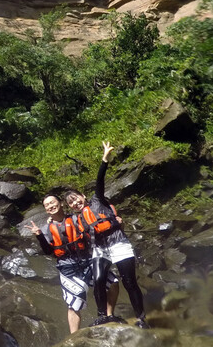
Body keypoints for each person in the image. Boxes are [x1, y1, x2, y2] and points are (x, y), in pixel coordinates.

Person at [66, 141, 149, 329]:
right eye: (70, 203)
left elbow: (100, 180)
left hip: (119, 244)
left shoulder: (97, 199)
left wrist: (104, 160)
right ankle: (103, 316)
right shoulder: (77, 219)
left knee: (129, 282)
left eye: (75, 198)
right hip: (100, 249)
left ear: (82, 196)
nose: (74, 203)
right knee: (98, 279)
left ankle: (141, 318)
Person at [25, 195, 119, 333]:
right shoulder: (46, 229)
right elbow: (47, 251)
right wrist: (39, 235)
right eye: (47, 205)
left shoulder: (77, 219)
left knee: (114, 283)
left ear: (61, 203)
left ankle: (109, 316)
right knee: (74, 304)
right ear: (46, 210)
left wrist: (115, 222)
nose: (51, 206)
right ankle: (74, 337)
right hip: (67, 267)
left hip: (87, 261)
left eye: (53, 202)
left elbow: (93, 228)